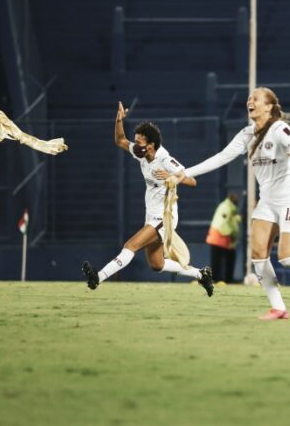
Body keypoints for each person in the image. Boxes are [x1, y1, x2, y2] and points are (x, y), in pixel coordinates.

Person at [169, 87, 290, 320]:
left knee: (287, 258)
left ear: (269, 107)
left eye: (255, 99)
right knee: (258, 254)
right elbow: (222, 157)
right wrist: (184, 173)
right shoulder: (247, 134)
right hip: (268, 200)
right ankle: (279, 307)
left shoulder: (279, 128)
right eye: (249, 98)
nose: (249, 101)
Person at [82, 102, 213, 295]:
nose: (136, 146)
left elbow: (192, 181)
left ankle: (98, 277)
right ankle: (202, 275)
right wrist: (119, 120)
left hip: (163, 218)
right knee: (157, 265)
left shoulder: (165, 160)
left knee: (130, 246)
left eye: (140, 143)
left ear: (151, 146)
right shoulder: (144, 155)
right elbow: (120, 140)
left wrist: (171, 177)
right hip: (151, 215)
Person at [206, 192, 241, 283]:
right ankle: (223, 280)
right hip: (221, 236)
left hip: (217, 235)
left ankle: (218, 279)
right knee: (226, 259)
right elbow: (227, 225)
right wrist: (233, 236)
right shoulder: (228, 208)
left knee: (218, 260)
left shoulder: (225, 206)